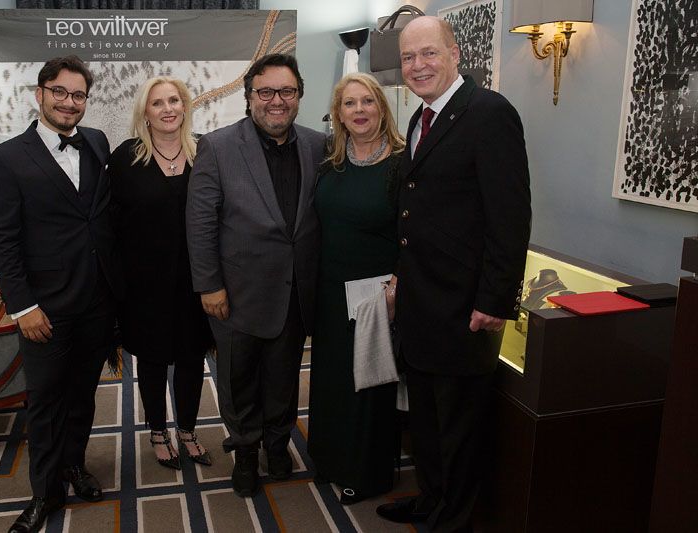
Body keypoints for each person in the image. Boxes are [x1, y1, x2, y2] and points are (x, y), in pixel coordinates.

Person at [375, 17, 532, 531]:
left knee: (459, 427)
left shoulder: (490, 113)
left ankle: (454, 520)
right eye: (408, 57)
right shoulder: (420, 118)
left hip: (465, 307)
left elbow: (510, 218)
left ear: (455, 53)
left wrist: (494, 299)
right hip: (422, 301)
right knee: (426, 418)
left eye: (429, 53)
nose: (418, 65)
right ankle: (431, 499)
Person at [0, 55, 124, 533]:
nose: (69, 102)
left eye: (78, 94)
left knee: (83, 395)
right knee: (45, 402)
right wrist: (22, 306)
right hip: (43, 308)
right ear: (39, 94)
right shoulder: (6, 158)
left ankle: (73, 465)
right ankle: (44, 493)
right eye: (60, 92)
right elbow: (2, 242)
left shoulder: (97, 142)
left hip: (96, 301)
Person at [186, 53, 326, 498]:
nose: (276, 100)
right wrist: (209, 285)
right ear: (249, 97)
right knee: (239, 381)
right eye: (265, 92)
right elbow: (200, 223)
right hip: (235, 294)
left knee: (284, 379)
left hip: (294, 292)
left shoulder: (318, 145)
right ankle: (246, 452)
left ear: (299, 96)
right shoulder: (218, 146)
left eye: (286, 91)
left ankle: (277, 443)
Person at [307, 72, 405, 505]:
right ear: (339, 113)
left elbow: (415, 232)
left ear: (381, 107)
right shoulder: (331, 162)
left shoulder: (402, 163)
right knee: (332, 378)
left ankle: (365, 474)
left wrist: (397, 286)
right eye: (350, 103)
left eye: (368, 101)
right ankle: (329, 460)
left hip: (375, 294)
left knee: (368, 383)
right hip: (330, 289)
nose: (359, 110)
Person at [109, 77, 214, 471]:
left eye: (174, 100)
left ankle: (187, 430)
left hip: (195, 280)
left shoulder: (205, 152)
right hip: (143, 284)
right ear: (145, 113)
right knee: (152, 361)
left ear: (185, 107)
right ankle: (157, 432)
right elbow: (110, 221)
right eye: (158, 103)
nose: (168, 109)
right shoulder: (126, 157)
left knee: (191, 358)